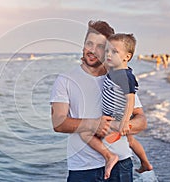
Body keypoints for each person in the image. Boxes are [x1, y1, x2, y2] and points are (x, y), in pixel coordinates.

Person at [50, 20, 147, 182]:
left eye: (100, 46)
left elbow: (141, 121)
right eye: (89, 44)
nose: (92, 50)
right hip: (83, 169)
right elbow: (58, 123)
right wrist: (93, 124)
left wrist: (119, 126)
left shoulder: (118, 78)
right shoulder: (65, 80)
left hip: (121, 165)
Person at [79, 33, 153, 180]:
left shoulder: (124, 75)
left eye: (114, 52)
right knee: (130, 140)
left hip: (115, 117)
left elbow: (131, 98)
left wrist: (125, 121)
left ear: (127, 57)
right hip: (117, 114)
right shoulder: (115, 71)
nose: (109, 54)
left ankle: (110, 156)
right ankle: (145, 163)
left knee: (85, 133)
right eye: (107, 51)